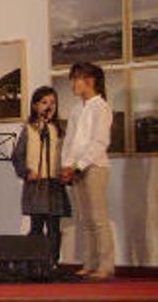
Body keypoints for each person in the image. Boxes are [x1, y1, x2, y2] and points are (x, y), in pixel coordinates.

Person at [60, 62, 115, 280]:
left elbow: (99, 142)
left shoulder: (101, 107)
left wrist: (78, 165)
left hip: (94, 167)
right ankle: (90, 263)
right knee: (85, 219)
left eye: (76, 79)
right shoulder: (76, 109)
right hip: (76, 169)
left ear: (90, 81)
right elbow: (70, 141)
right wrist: (67, 164)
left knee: (98, 218)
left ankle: (105, 265)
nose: (73, 84)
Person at [12, 85, 71, 268]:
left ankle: (52, 262)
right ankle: (33, 262)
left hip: (54, 184)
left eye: (53, 102)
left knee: (54, 228)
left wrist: (66, 172)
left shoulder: (59, 129)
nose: (49, 106)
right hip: (36, 185)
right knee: (36, 226)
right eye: (44, 102)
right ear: (35, 106)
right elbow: (17, 156)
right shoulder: (29, 129)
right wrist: (27, 172)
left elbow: (68, 154)